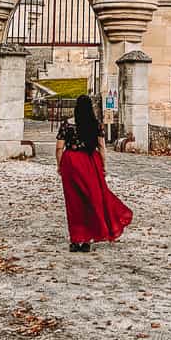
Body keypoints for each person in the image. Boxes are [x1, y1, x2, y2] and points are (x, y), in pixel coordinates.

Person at [56, 95, 133, 253]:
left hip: (71, 161)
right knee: (92, 200)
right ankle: (87, 240)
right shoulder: (95, 124)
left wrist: (60, 165)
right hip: (90, 162)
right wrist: (103, 166)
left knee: (74, 203)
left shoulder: (67, 125)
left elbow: (59, 148)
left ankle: (76, 239)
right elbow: (102, 147)